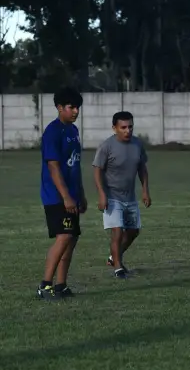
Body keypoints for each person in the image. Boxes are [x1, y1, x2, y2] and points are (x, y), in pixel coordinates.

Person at [37, 87, 87, 300]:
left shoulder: (73, 131)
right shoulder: (53, 132)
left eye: (78, 107)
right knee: (64, 236)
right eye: (71, 107)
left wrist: (81, 194)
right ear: (59, 108)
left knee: (72, 238)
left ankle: (61, 285)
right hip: (56, 195)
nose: (76, 111)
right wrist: (66, 196)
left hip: (72, 194)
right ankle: (44, 285)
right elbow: (54, 167)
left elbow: (75, 165)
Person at [92, 111, 151, 278]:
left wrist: (145, 190)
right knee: (117, 231)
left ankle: (113, 257)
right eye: (123, 127)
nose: (127, 131)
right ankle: (118, 267)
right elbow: (97, 171)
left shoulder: (137, 144)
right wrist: (102, 194)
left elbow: (142, 168)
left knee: (133, 231)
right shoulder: (106, 146)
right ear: (114, 128)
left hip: (130, 196)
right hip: (112, 196)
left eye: (130, 127)